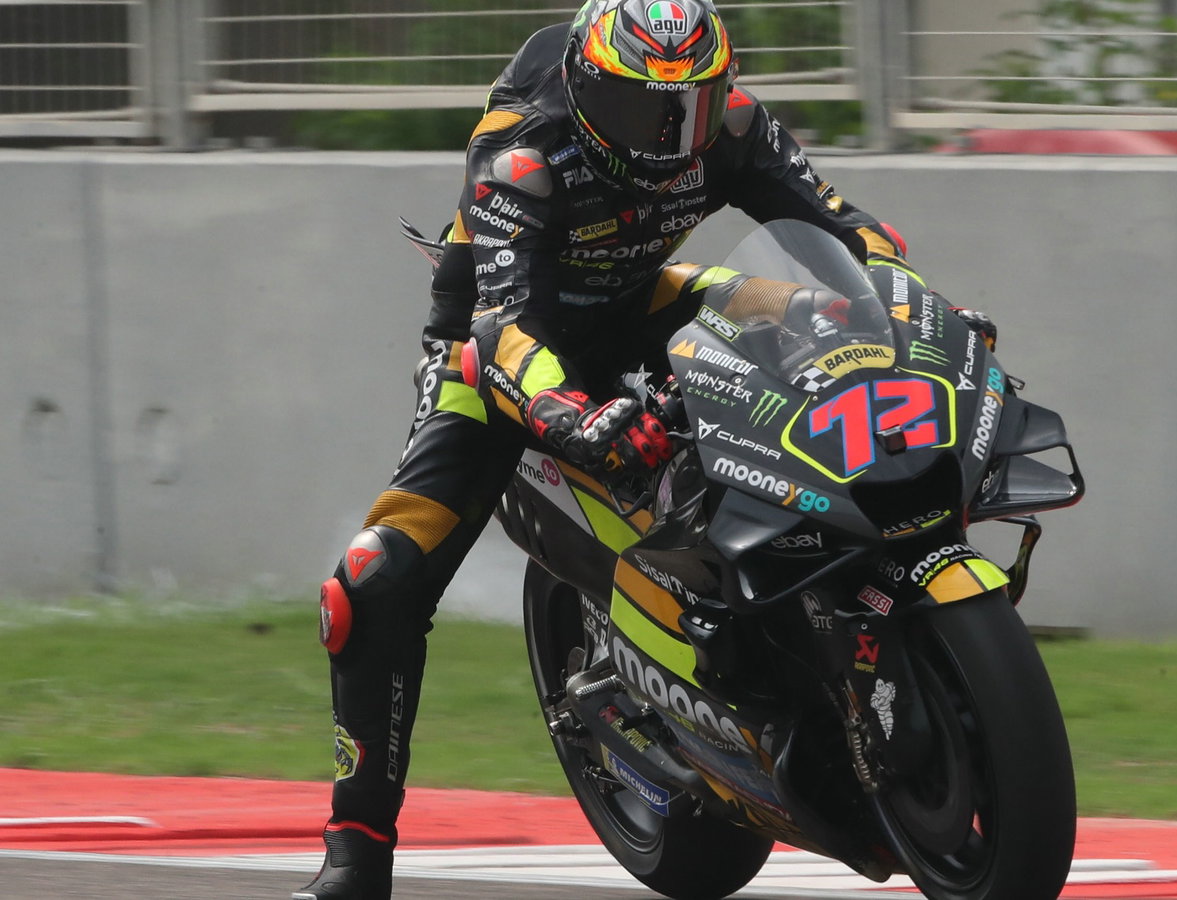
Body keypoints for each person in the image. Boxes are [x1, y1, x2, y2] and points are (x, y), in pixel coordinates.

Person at [293, 1, 990, 896]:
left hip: (641, 302)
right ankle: (356, 853)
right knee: (371, 580)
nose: (668, 136)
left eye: (689, 108)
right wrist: (565, 412)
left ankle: (834, 604)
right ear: (585, 88)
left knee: (822, 312)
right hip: (500, 355)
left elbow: (850, 232)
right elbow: (504, 326)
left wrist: (917, 311)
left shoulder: (734, 127)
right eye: (640, 109)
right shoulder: (521, 157)